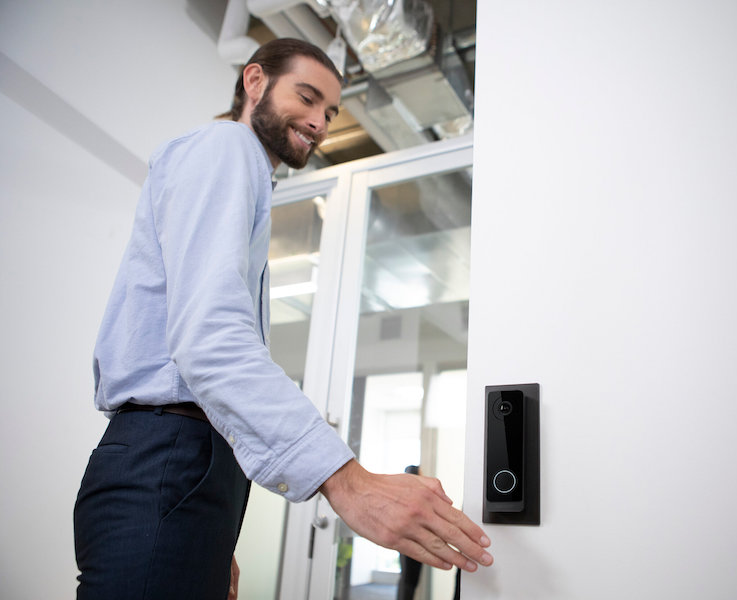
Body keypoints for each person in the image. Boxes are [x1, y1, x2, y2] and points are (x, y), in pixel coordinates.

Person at [73, 38, 492, 600]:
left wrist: (214, 533)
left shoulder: (242, 175)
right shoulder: (226, 146)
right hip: (166, 456)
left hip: (187, 469)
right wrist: (349, 481)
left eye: (331, 112)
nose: (319, 121)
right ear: (254, 82)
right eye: (308, 96)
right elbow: (210, 338)